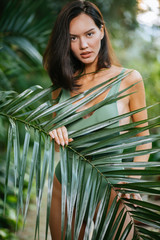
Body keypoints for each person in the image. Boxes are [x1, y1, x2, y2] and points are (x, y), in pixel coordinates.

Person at [43, 0, 151, 239]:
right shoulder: (61, 86)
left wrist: (131, 180)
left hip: (113, 190)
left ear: (102, 31)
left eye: (89, 34)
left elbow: (145, 137)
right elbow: (57, 144)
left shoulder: (128, 79)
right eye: (73, 38)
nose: (83, 45)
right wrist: (54, 130)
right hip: (65, 186)